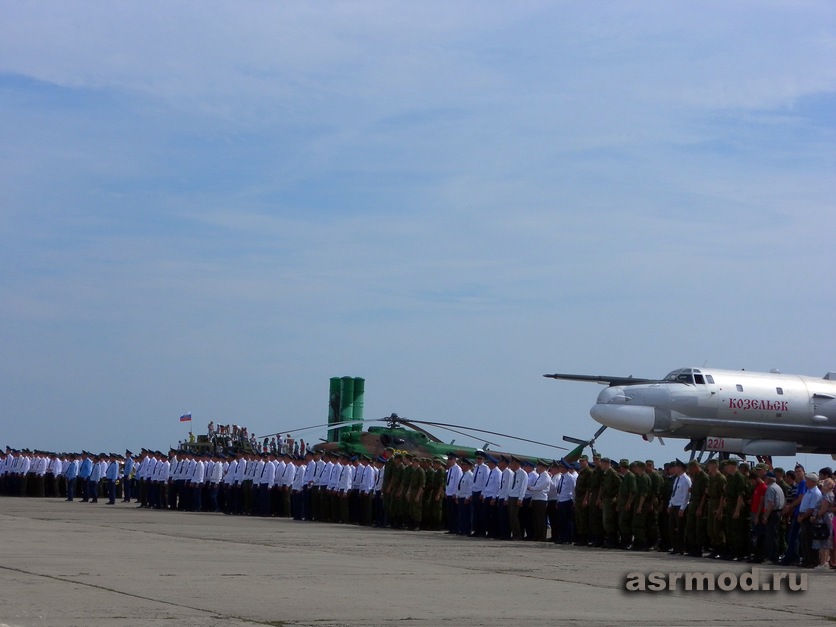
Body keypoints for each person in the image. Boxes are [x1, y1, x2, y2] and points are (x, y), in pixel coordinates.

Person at [797, 472, 823, 568]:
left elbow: (812, 508)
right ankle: (806, 560)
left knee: (809, 540)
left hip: (809, 518)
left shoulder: (815, 493)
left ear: (812, 482)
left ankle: (812, 561)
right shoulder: (808, 491)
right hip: (803, 516)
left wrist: (803, 517)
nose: (806, 482)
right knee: (804, 540)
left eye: (807, 480)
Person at [811, 478, 834, 569]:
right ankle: (824, 562)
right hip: (827, 518)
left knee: (823, 539)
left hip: (823, 519)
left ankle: (823, 562)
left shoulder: (826, 496)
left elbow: (823, 509)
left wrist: (815, 517)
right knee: (826, 539)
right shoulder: (829, 495)